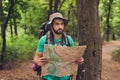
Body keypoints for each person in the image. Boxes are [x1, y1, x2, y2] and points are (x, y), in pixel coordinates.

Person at [33, 12, 84, 80]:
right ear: (51, 25)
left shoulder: (68, 40)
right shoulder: (44, 40)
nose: (60, 26)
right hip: (48, 78)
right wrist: (38, 62)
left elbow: (74, 58)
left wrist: (80, 60)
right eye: (57, 24)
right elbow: (37, 56)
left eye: (61, 24)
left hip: (65, 78)